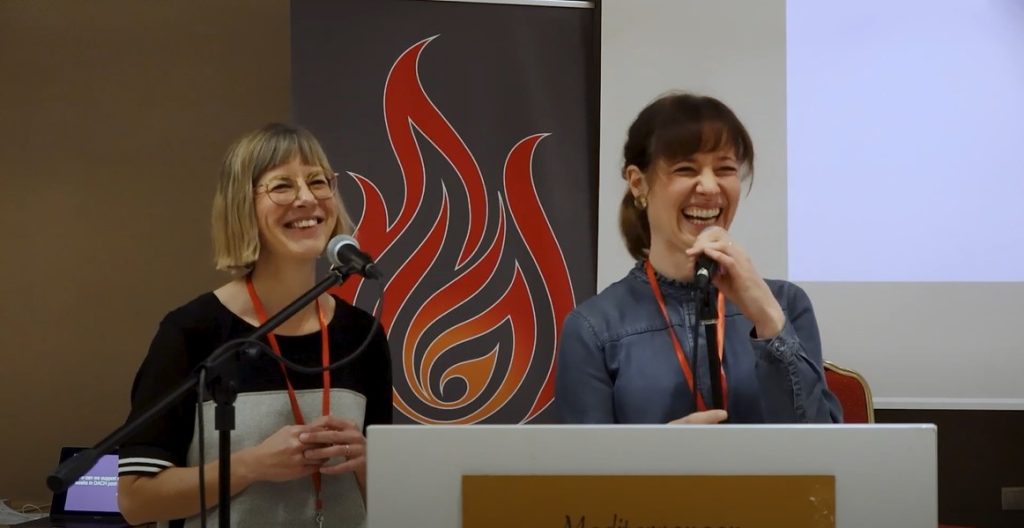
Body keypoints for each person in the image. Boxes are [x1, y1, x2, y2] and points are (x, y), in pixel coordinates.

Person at [116, 123, 392, 527]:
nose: (306, 198)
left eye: (318, 182)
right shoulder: (192, 332)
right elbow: (136, 500)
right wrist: (251, 466)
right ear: (242, 206)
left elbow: (395, 502)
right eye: (282, 186)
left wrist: (368, 463)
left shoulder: (362, 334)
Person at [556, 93, 841, 425]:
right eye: (685, 169)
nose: (709, 187)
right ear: (638, 183)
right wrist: (658, 451)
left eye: (725, 169)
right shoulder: (594, 328)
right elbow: (582, 458)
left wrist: (768, 318)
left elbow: (823, 444)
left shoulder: (786, 304)